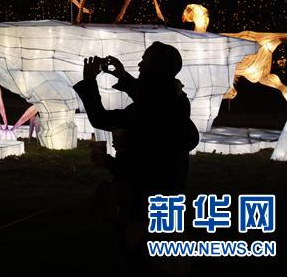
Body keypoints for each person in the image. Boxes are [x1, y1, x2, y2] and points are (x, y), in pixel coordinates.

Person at [74, 42, 200, 273]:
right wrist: (122, 76)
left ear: (156, 67)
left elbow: (103, 120)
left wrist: (89, 81)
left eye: (146, 59)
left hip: (144, 202)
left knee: (142, 258)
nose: (140, 64)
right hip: (169, 193)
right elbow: (150, 95)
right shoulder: (176, 99)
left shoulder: (150, 110)